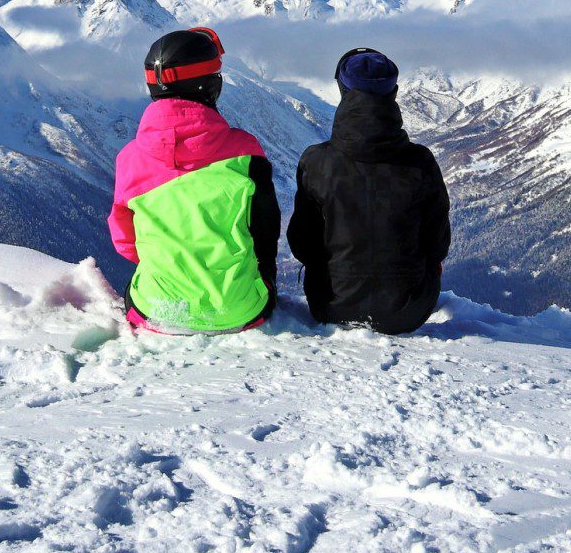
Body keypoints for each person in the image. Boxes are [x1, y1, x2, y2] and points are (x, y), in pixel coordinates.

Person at [108, 26, 279, 334]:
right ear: (210, 87)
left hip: (157, 309)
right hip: (238, 309)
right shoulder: (245, 152)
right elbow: (265, 233)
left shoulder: (129, 159)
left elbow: (125, 241)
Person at [287, 48, 451, 334]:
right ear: (393, 94)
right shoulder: (420, 162)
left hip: (330, 305)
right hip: (408, 311)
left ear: (343, 92)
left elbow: (302, 244)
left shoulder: (316, 162)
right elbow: (438, 245)